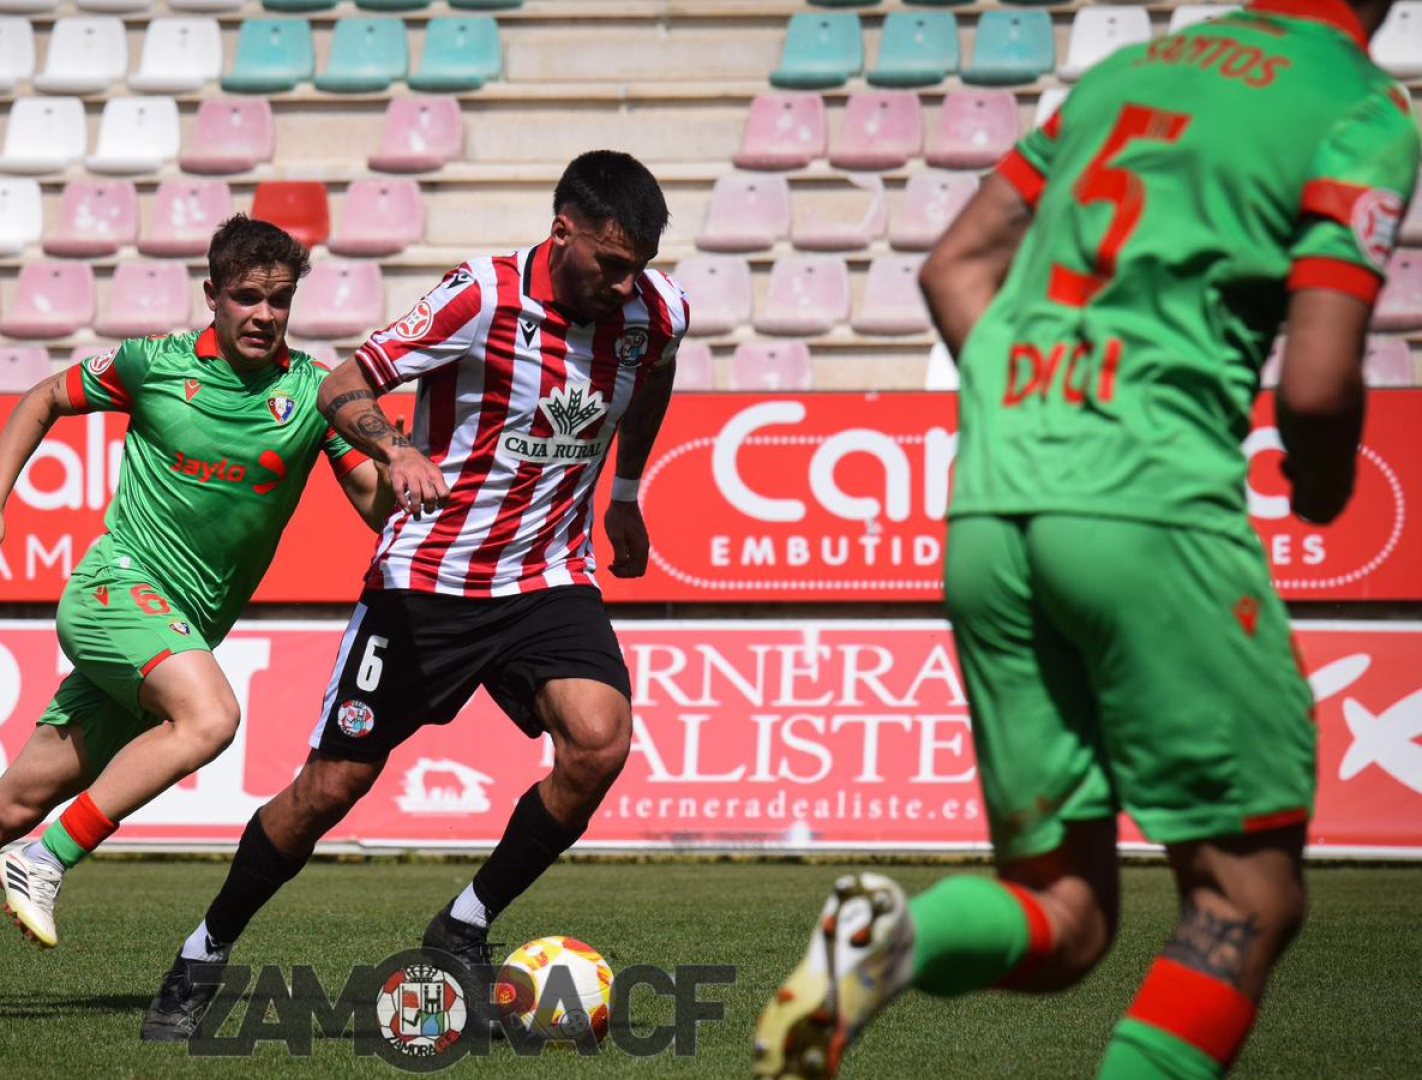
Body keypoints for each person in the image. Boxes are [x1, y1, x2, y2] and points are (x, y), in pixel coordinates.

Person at [752, 2, 1419, 1078]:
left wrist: (1039, 420)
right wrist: (1327, 477)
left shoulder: (1123, 77)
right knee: (1246, 892)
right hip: (1147, 506)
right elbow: (1319, 379)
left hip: (991, 508)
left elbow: (953, 268)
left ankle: (896, 941)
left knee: (1063, 916)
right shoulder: (1358, 106)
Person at [142, 150, 691, 1041]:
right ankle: (205, 948)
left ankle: (464, 925)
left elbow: (654, 369)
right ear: (564, 233)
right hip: (428, 582)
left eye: (640, 269)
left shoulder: (653, 312)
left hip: (547, 575)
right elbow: (341, 384)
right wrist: (396, 449)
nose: (626, 286)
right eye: (612, 264)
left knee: (598, 742)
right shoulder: (481, 296)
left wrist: (625, 492)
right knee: (329, 789)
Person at [0, 216, 398, 1011]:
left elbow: (371, 504)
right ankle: (47, 859)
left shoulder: (313, 395)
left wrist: (414, 474)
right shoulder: (154, 365)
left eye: (279, 301)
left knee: (9, 803)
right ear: (212, 294)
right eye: (247, 297)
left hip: (167, 637)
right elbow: (43, 397)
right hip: (114, 592)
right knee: (212, 716)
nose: (263, 314)